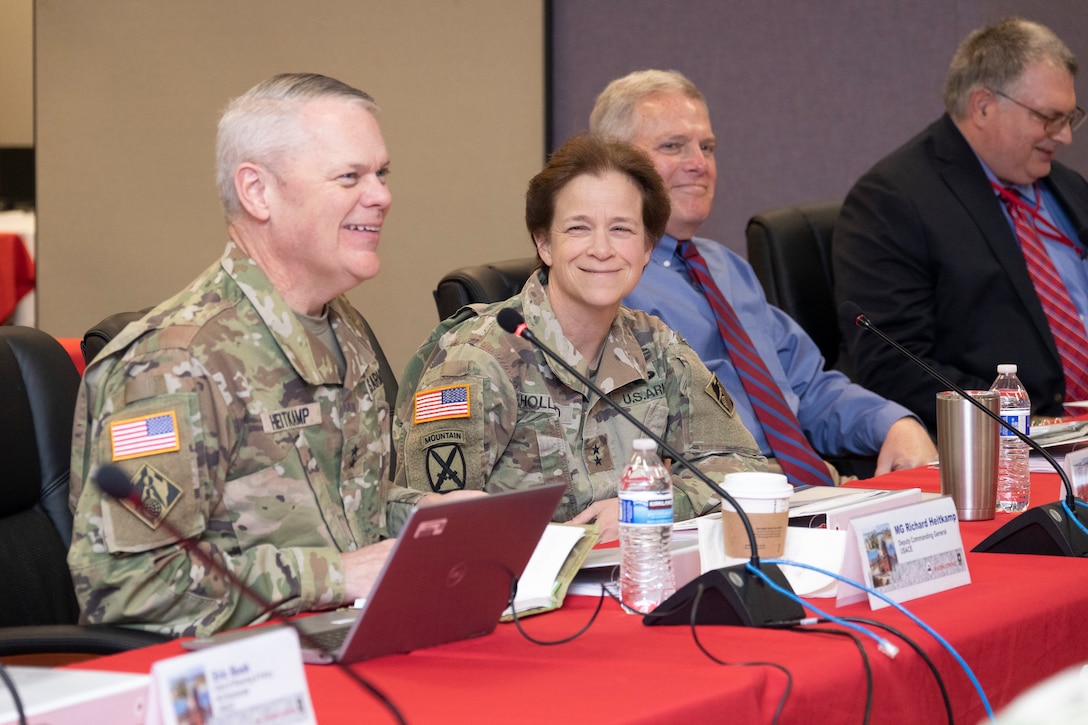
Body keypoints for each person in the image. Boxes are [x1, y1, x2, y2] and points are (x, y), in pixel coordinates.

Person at [67, 73, 459, 637]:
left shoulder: (341, 325)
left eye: (381, 173)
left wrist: (437, 520)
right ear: (257, 192)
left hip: (345, 650)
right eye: (350, 176)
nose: (381, 195)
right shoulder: (174, 363)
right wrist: (335, 576)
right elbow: (132, 587)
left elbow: (348, 510)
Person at [393, 134, 766, 542]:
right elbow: (434, 527)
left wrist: (649, 505)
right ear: (545, 244)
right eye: (579, 228)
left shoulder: (657, 347)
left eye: (622, 229)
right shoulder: (478, 361)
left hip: (632, 578)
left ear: (646, 248)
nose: (602, 249)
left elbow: (743, 467)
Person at [589, 70, 935, 484]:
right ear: (616, 163)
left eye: (707, 147)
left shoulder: (726, 268)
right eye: (673, 147)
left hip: (811, 487)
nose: (699, 164)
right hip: (716, 497)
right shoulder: (607, 280)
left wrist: (894, 424)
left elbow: (807, 388)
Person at [833, 17, 1088, 432]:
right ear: (984, 106)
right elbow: (893, 365)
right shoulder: (893, 200)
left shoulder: (1068, 187)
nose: (1064, 138)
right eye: (1048, 118)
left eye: (1068, 118)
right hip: (1008, 449)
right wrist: (1030, 423)